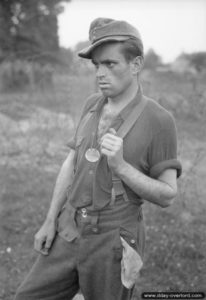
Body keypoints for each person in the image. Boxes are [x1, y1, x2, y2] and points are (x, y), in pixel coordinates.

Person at [14, 18, 182, 300]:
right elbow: (71, 162)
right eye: (96, 66)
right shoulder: (91, 105)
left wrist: (121, 167)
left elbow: (167, 195)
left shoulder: (160, 120)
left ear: (136, 65)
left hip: (112, 242)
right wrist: (49, 219)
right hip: (68, 230)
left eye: (110, 64)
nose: (100, 74)